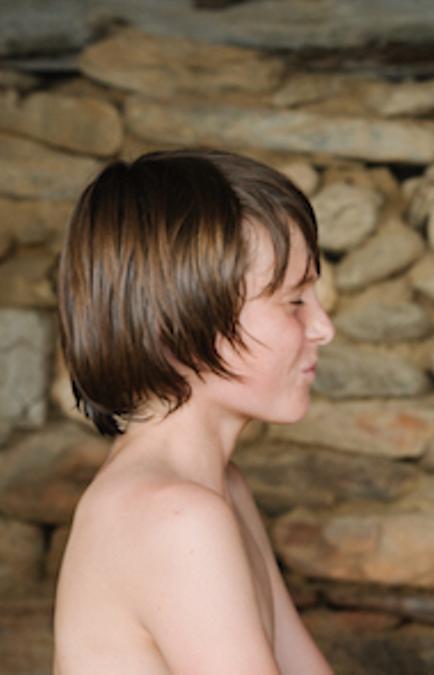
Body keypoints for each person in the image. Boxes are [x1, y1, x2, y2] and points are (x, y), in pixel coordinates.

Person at [53, 149, 335, 674]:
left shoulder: (220, 489)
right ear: (180, 322)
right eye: (294, 301)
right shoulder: (173, 516)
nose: (324, 328)